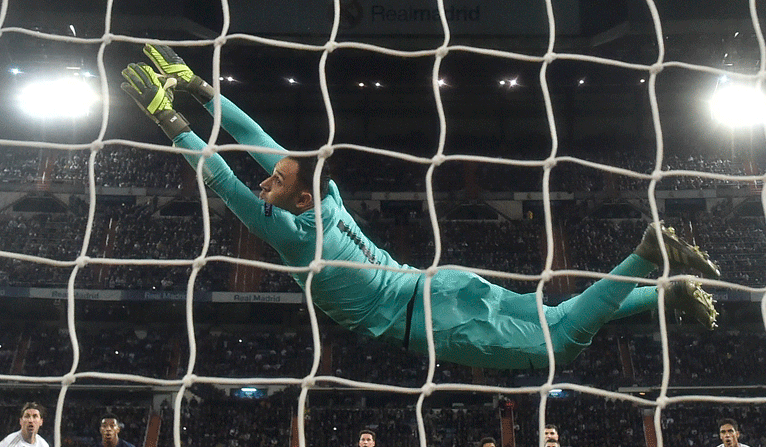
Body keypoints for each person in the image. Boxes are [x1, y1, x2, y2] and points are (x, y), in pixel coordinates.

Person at [119, 45, 720, 373]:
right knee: (558, 315)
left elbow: (225, 179)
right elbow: (255, 140)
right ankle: (663, 292)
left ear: (298, 197)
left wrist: (172, 122)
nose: (266, 180)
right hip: (441, 284)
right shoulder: (325, 197)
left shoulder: (296, 237)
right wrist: (198, 88)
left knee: (560, 343)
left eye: (276, 180)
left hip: (431, 321)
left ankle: (646, 256)